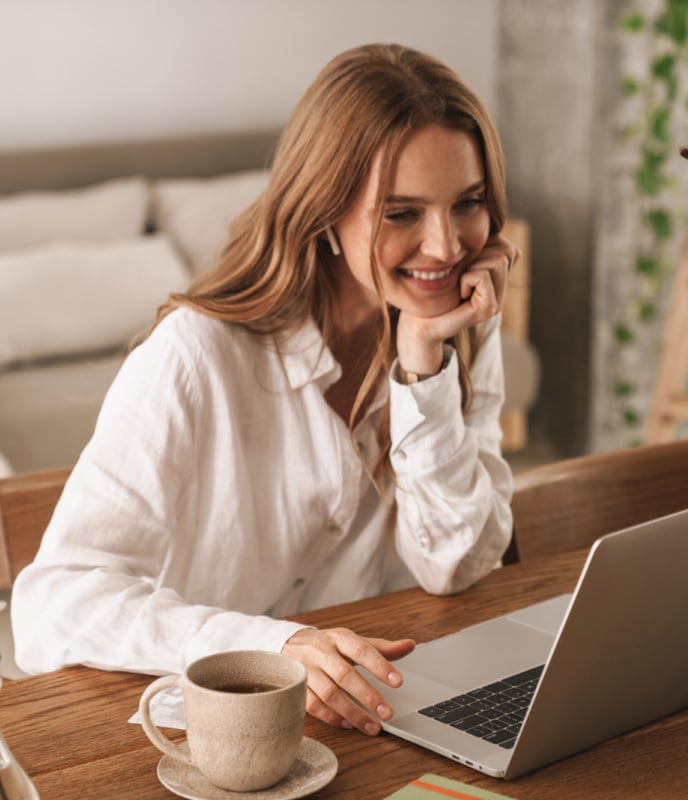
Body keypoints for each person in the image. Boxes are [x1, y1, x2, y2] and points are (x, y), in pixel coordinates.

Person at [12, 43, 517, 738]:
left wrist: (423, 373)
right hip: (184, 739)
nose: (446, 247)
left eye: (468, 204)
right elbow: (51, 606)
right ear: (324, 209)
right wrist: (274, 645)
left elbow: (455, 565)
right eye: (401, 214)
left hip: (358, 722)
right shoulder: (196, 356)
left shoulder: (453, 332)